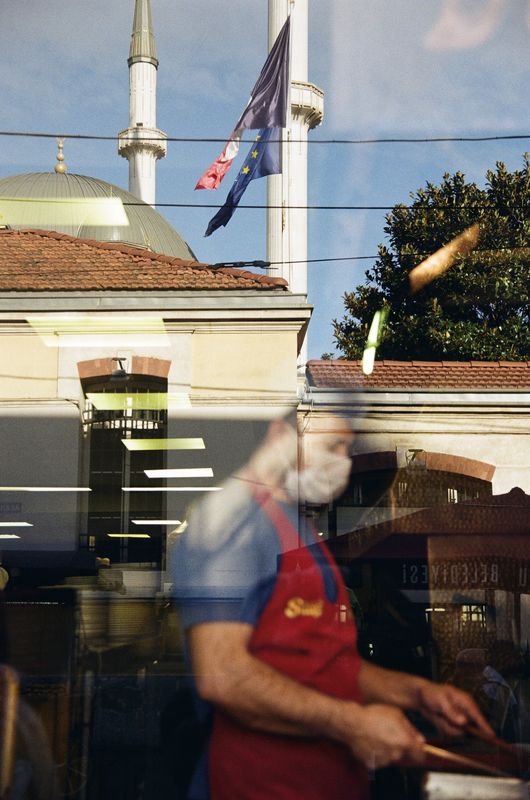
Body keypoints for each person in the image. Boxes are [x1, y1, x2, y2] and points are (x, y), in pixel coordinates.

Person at [171, 414, 492, 800]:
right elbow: (223, 675)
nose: (342, 460)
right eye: (332, 446)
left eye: (347, 448)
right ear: (281, 437)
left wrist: (417, 693)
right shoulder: (230, 521)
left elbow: (330, 667)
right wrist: (354, 723)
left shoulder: (299, 530)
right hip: (260, 785)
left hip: (326, 783)